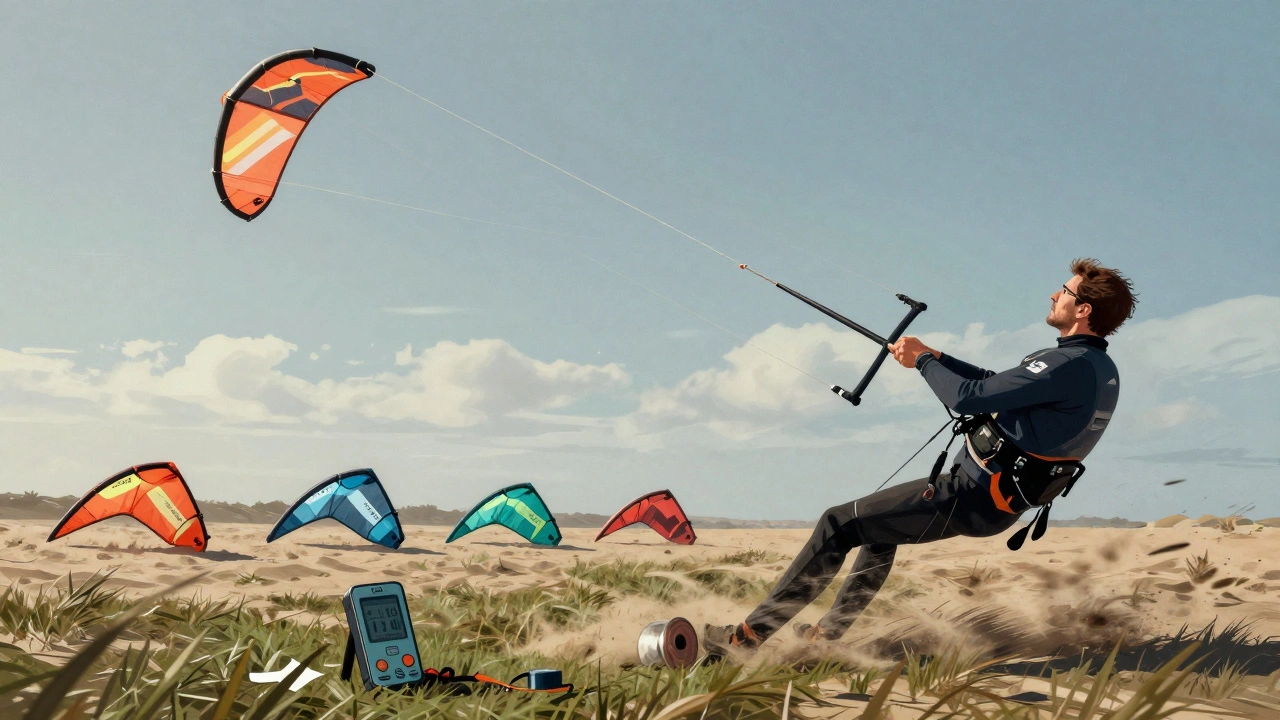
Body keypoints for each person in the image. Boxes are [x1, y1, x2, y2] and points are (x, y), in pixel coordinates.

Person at [703, 258, 1138, 658]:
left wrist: (924, 362)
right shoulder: (1095, 366)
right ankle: (824, 638)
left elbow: (969, 399)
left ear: (1082, 310)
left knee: (838, 522)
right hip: (994, 501)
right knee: (879, 531)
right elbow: (992, 383)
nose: (1053, 295)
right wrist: (937, 356)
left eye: (1063, 291)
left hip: (972, 496)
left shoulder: (1065, 364)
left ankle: (745, 639)